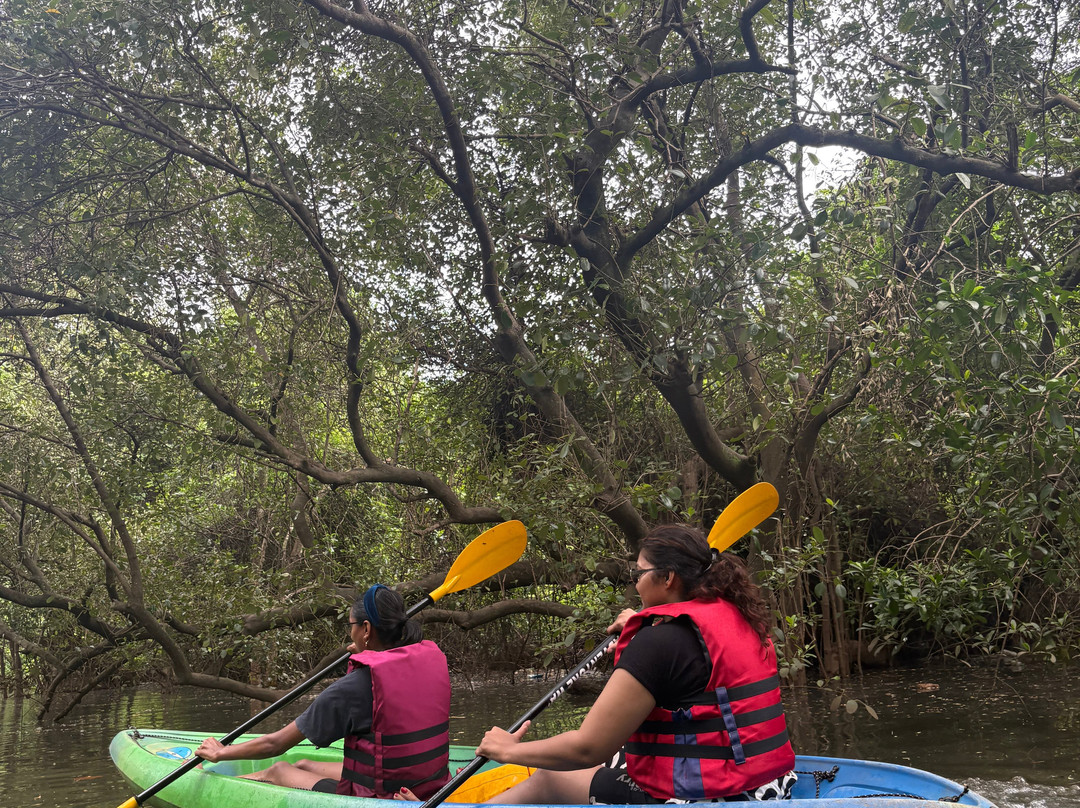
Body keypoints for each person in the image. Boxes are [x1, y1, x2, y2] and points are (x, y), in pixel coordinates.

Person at [474, 524, 796, 804]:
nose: (635, 583)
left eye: (638, 574)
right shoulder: (740, 616)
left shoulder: (658, 644)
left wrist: (508, 751)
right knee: (620, 756)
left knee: (549, 778)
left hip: (706, 798)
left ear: (667, 577)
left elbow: (588, 749)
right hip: (769, 786)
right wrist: (643, 621)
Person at [195, 584, 452, 798]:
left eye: (351, 625)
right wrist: (367, 652)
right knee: (304, 764)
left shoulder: (351, 688)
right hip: (426, 786)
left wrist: (221, 752)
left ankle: (212, 788)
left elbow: (276, 744)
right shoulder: (430, 661)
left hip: (380, 797)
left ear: (366, 629)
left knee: (279, 769)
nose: (349, 631)